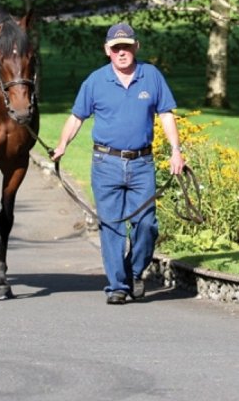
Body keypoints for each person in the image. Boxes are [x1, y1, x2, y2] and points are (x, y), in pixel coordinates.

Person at [51, 22, 185, 305]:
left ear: (136, 47)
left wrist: (176, 150)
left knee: (146, 225)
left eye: (126, 46)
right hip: (106, 163)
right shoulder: (95, 81)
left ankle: (133, 272)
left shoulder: (151, 76)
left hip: (141, 163)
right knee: (111, 227)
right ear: (107, 50)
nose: (121, 52)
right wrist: (62, 144)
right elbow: (77, 117)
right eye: (116, 48)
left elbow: (166, 114)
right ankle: (117, 287)